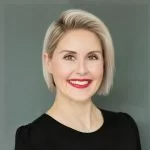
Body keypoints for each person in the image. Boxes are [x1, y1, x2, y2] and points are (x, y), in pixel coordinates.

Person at [15, 9, 141, 150]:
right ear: (48, 62)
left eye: (92, 57)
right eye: (69, 57)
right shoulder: (31, 140)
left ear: (104, 63)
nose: (82, 70)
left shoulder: (125, 127)